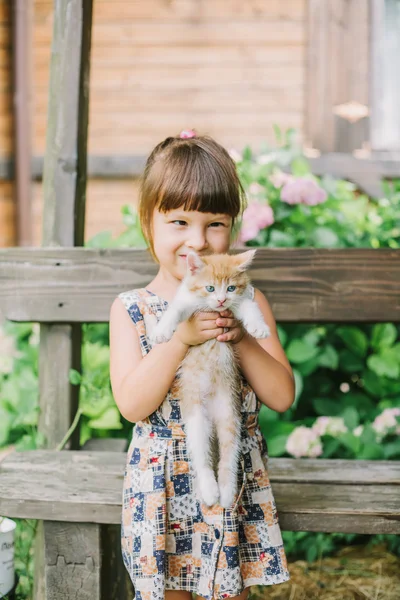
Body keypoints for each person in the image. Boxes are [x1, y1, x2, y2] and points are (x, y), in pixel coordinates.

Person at [109, 130, 295, 600]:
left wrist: (242, 339)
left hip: (231, 479)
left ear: (233, 227)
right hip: (164, 487)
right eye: (179, 222)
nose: (198, 240)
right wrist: (180, 340)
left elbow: (281, 396)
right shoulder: (133, 308)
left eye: (215, 223)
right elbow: (132, 405)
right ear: (148, 224)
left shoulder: (247, 303)